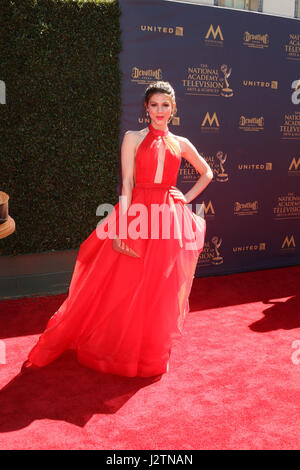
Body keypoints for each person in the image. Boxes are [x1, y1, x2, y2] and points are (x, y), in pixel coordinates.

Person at [22, 81, 213, 378]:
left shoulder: (182, 143)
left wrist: (185, 197)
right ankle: (117, 344)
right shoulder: (133, 138)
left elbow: (207, 172)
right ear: (146, 108)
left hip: (167, 217)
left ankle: (151, 351)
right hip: (138, 212)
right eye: (154, 105)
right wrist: (123, 226)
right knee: (125, 281)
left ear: (173, 109)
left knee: (159, 286)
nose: (160, 110)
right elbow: (126, 183)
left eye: (165, 105)